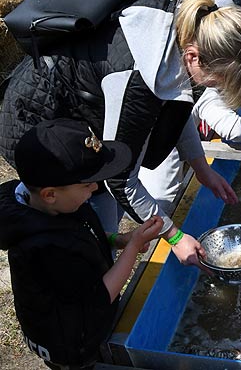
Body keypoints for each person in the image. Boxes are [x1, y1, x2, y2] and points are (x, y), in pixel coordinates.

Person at [0, 0, 241, 269]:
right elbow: (119, 180)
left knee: (97, 202)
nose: (210, 89)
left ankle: (101, 252)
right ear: (193, 58)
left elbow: (177, 108)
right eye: (215, 83)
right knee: (85, 212)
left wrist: (201, 169)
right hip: (38, 123)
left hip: (84, 111)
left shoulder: (190, 28)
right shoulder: (138, 80)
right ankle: (93, 280)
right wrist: (174, 235)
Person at [0, 118, 162, 369]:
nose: (96, 187)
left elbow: (81, 237)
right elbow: (99, 298)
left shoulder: (52, 208)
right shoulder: (47, 249)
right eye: (87, 184)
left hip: (78, 320)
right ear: (50, 194)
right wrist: (132, 249)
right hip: (74, 344)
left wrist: (119, 240)